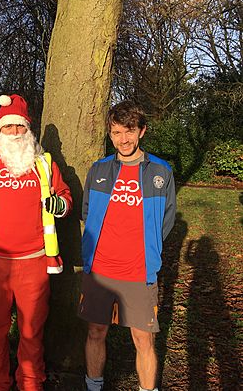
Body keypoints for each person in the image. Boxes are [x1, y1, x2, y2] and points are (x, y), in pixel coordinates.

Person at [0, 94, 73, 391]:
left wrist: (59, 205)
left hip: (34, 261)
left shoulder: (44, 164)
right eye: (8, 127)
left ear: (28, 129)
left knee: (31, 330)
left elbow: (65, 195)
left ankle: (30, 383)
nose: (14, 133)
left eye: (19, 127)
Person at [78, 101, 176, 391]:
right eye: (117, 132)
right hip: (100, 270)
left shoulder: (160, 171)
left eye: (130, 131)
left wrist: (149, 248)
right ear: (110, 134)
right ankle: (93, 386)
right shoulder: (99, 170)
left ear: (142, 131)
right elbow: (87, 212)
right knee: (96, 331)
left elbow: (166, 219)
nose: (124, 139)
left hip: (139, 270)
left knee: (143, 339)